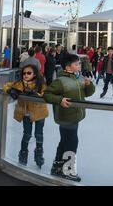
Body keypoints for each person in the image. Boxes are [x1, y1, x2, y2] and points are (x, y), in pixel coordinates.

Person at [43, 54, 95, 182]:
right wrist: (59, 100)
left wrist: (89, 85)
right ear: (67, 67)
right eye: (76, 64)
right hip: (66, 116)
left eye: (79, 64)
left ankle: (57, 166)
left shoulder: (79, 78)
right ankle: (68, 169)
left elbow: (88, 93)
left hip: (75, 115)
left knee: (64, 141)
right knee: (72, 142)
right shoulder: (60, 81)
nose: (79, 66)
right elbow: (47, 94)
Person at [3, 64, 48, 168]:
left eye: (29, 73)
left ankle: (39, 156)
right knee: (26, 134)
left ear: (35, 74)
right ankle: (23, 155)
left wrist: (33, 93)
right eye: (24, 73)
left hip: (39, 113)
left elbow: (44, 95)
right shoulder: (19, 84)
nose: (26, 75)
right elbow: (6, 85)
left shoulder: (40, 84)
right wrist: (10, 90)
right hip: (26, 114)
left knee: (38, 134)